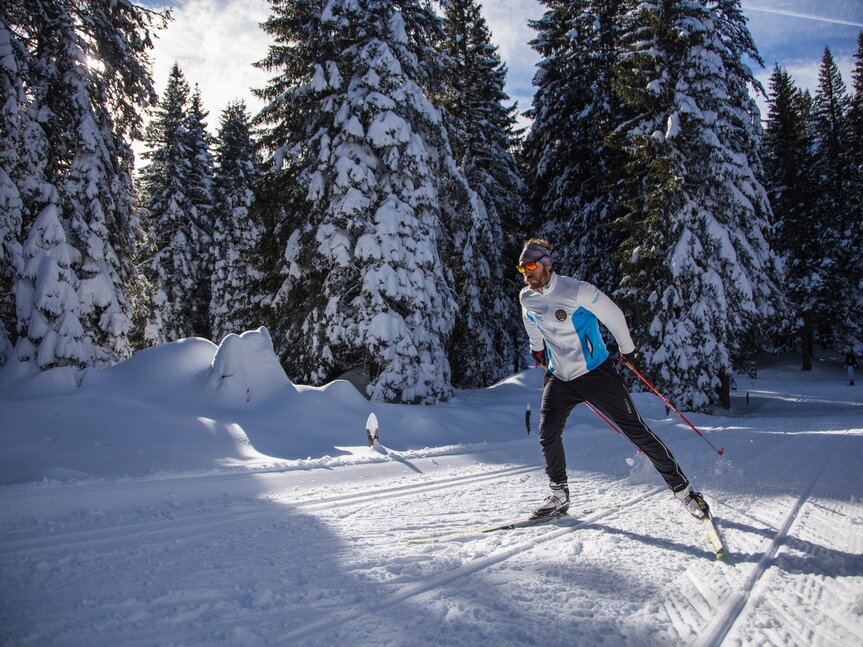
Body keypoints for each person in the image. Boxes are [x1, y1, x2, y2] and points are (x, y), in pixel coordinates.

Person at [517, 238, 708, 520]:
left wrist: (627, 349)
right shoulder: (527, 296)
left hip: (596, 373)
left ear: (546, 264)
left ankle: (685, 491)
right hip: (560, 376)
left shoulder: (577, 290)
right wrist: (537, 347)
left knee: (636, 431)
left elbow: (614, 315)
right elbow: (530, 320)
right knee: (548, 432)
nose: (526, 273)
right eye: (522, 269)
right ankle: (559, 496)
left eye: (531, 266)